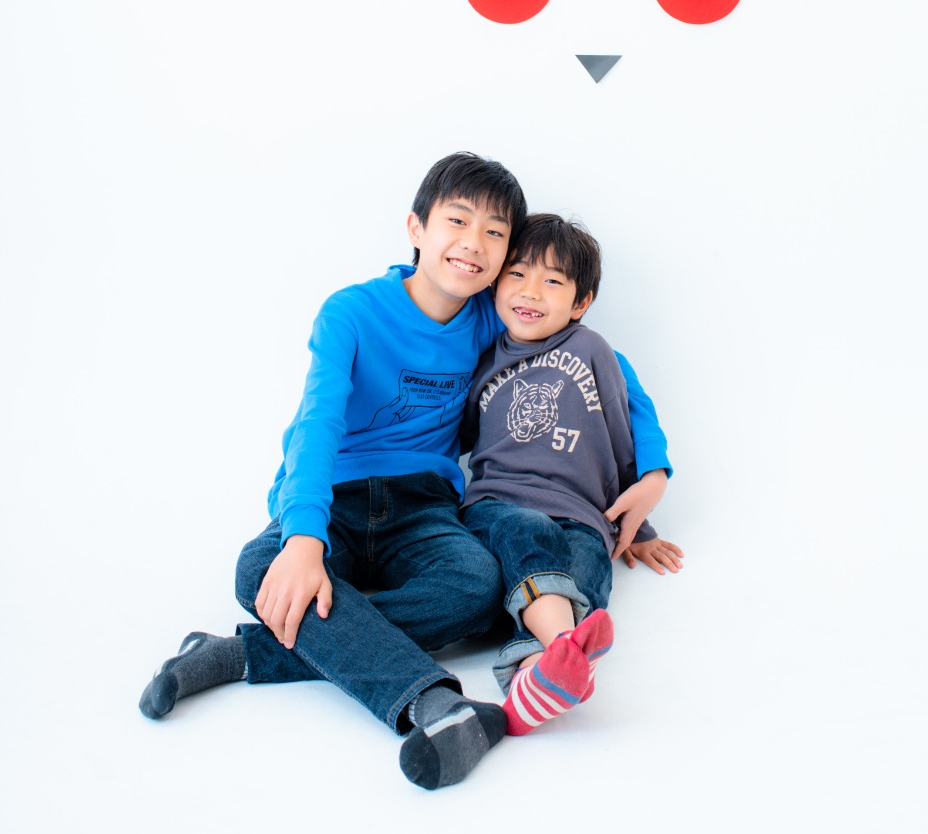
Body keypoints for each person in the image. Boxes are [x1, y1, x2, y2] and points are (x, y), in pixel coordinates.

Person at [138, 153, 671, 791]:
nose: (473, 244)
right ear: (417, 227)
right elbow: (316, 425)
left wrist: (654, 476)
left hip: (422, 506)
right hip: (335, 494)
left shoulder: (495, 316)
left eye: (495, 233)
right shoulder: (351, 312)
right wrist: (303, 537)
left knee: (477, 588)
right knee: (260, 570)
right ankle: (433, 702)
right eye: (457, 221)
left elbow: (602, 362)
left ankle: (239, 654)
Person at [459, 213, 683, 737]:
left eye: (552, 281)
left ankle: (533, 674)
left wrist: (639, 527)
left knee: (587, 569)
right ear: (494, 284)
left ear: (580, 302)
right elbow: (456, 440)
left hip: (583, 513)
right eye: (517, 274)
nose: (530, 291)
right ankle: (565, 647)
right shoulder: (482, 361)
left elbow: (624, 438)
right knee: (528, 533)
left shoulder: (593, 350)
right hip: (497, 504)